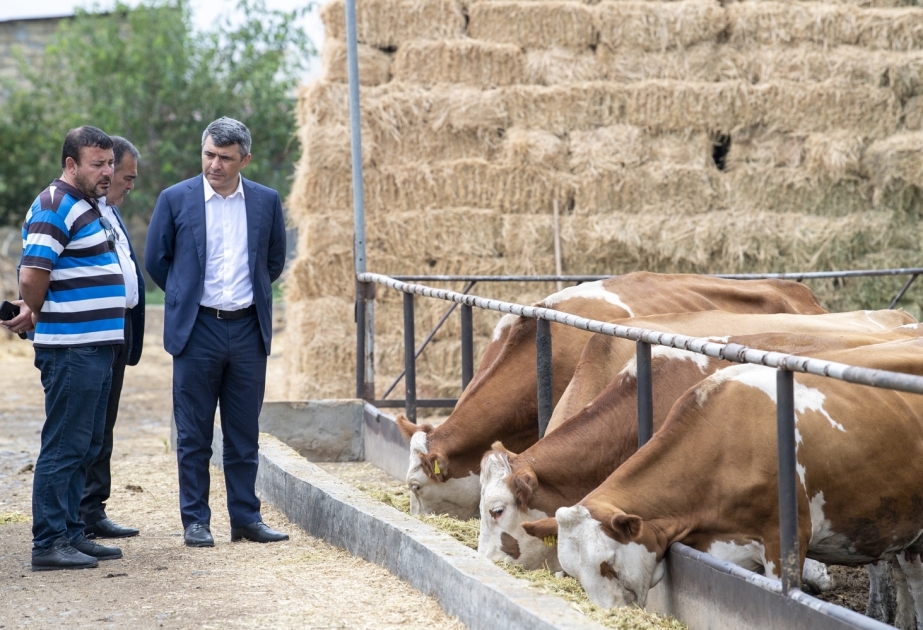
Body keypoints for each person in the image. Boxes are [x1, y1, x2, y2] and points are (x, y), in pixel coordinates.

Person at [145, 116, 288, 547]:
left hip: (247, 330)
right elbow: (156, 259)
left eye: (225, 158)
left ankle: (246, 518)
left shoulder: (266, 201)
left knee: (244, 433)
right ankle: (196, 521)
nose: (215, 165)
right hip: (197, 330)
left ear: (245, 159)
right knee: (193, 434)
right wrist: (187, 295)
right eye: (209, 155)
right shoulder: (175, 199)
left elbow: (274, 261)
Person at [18, 126, 126, 570]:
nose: (107, 172)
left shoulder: (85, 205)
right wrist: (35, 310)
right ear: (70, 165)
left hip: (94, 346)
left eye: (110, 163)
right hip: (71, 348)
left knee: (84, 446)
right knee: (64, 446)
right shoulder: (53, 205)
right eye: (97, 164)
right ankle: (48, 543)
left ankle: (71, 533)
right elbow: (31, 276)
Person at [79, 136, 146, 539]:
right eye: (127, 176)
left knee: (104, 425)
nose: (128, 185)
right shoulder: (73, 210)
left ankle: (93, 509)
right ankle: (74, 517)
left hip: (117, 329)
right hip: (89, 332)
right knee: (83, 427)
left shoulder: (110, 212)